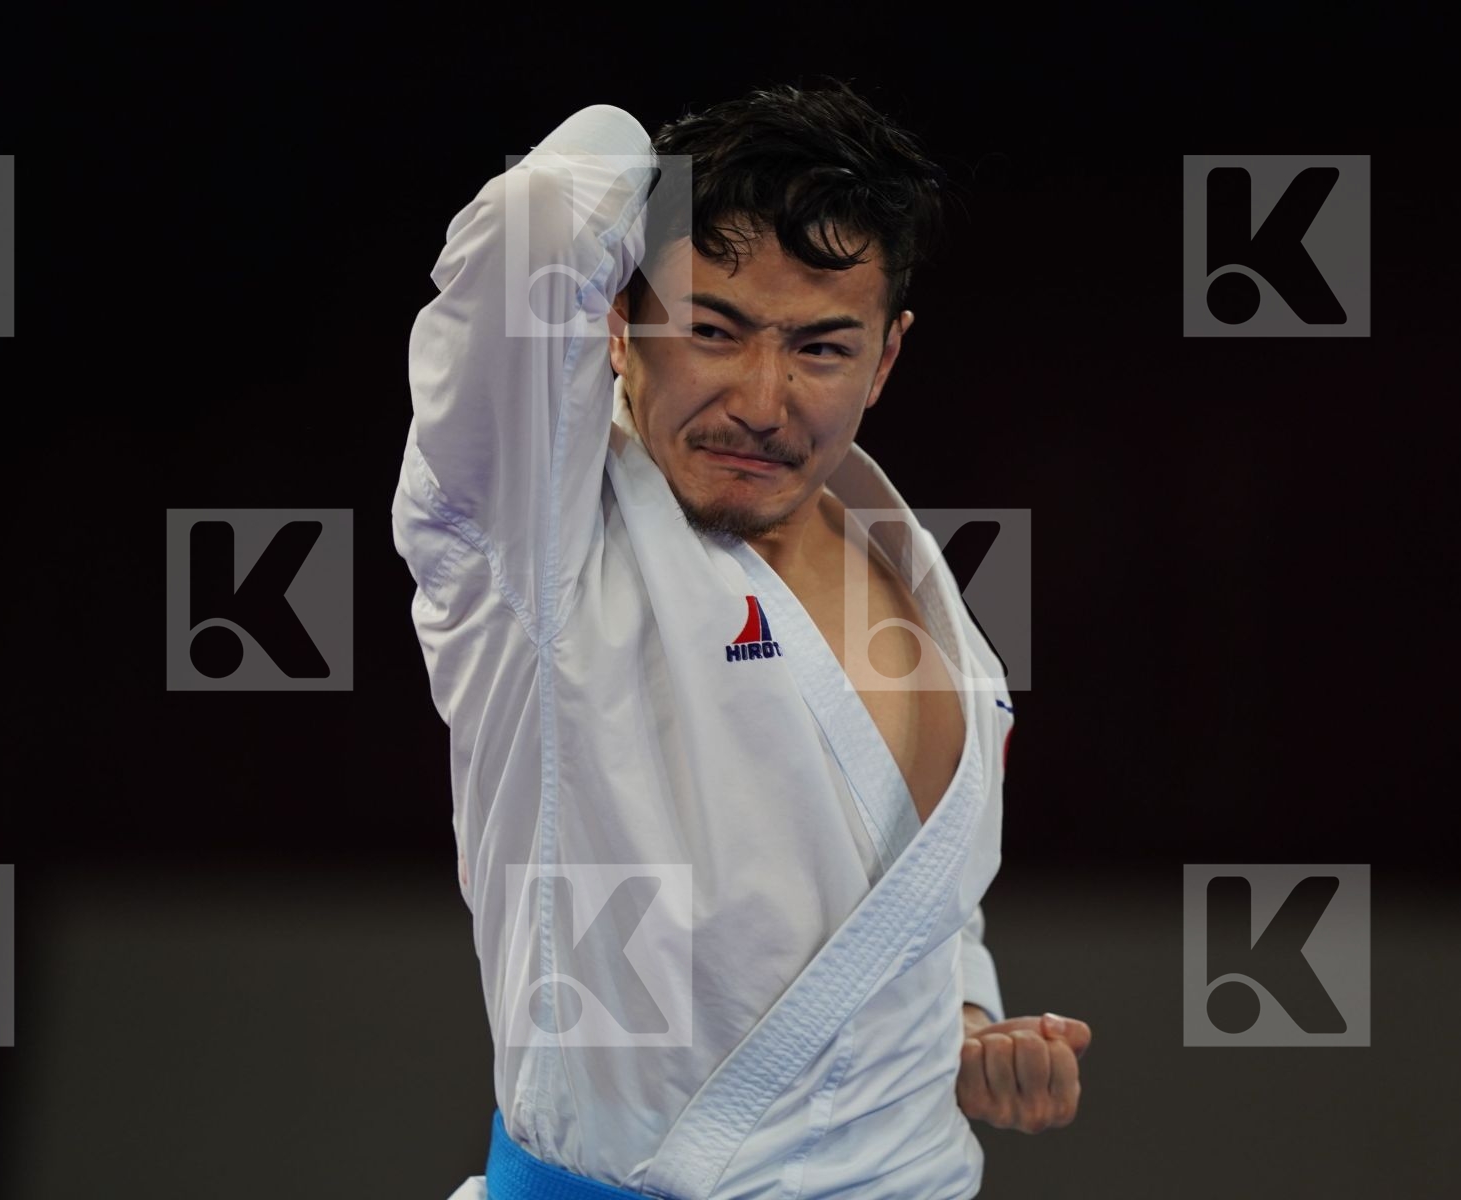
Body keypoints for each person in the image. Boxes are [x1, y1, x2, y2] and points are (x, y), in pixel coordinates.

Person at [393, 80, 1090, 1199]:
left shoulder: (905, 566)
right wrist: (662, 166)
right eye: (712, 331)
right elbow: (537, 219)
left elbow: (909, 898)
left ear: (887, 359)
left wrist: (965, 1022)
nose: (763, 401)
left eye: (820, 348)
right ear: (619, 322)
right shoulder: (539, 539)